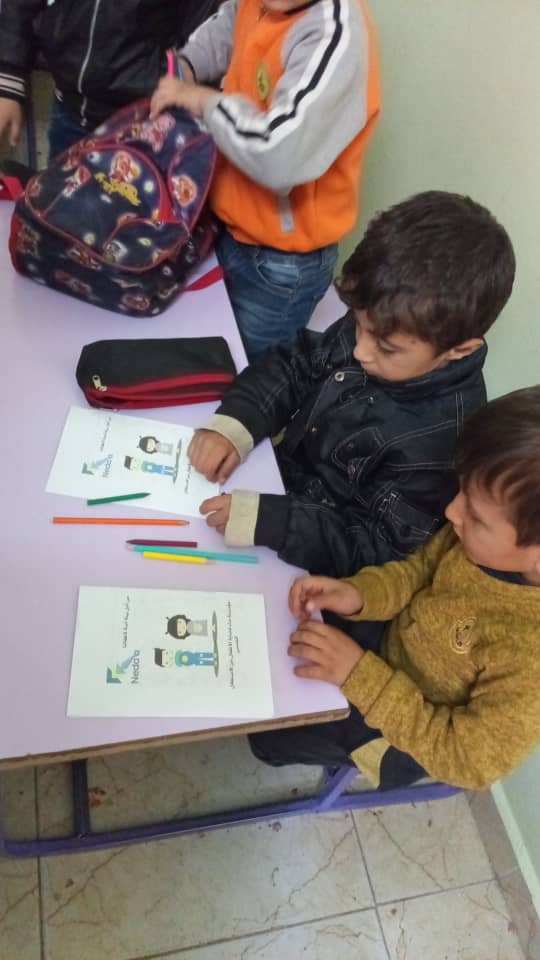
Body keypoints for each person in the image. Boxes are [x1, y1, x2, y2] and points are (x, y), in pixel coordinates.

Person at [188, 192, 516, 583]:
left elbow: (374, 549)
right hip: (270, 484)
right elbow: (298, 363)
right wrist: (239, 420)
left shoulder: (440, 447)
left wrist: (275, 521)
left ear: (459, 350)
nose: (360, 350)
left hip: (306, 561)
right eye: (358, 325)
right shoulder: (385, 321)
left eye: (386, 347)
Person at [248, 386, 540, 791]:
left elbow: (466, 761)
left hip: (398, 734)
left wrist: (358, 674)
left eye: (475, 515)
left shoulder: (530, 658)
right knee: (280, 632)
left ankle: (275, 744)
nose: (451, 511)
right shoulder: (478, 541)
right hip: (384, 649)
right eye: (461, 491)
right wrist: (359, 594)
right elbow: (417, 572)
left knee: (268, 736)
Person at [150, 0, 380, 358]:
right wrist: (188, 65)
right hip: (229, 223)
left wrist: (202, 101)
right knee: (203, 355)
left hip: (280, 266)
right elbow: (229, 25)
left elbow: (280, 157)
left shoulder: (334, 35)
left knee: (246, 374)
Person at [0, 0, 222, 158]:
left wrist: (172, 79)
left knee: (133, 210)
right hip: (69, 110)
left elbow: (204, 27)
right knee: (56, 206)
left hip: (143, 122)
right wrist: (10, 76)